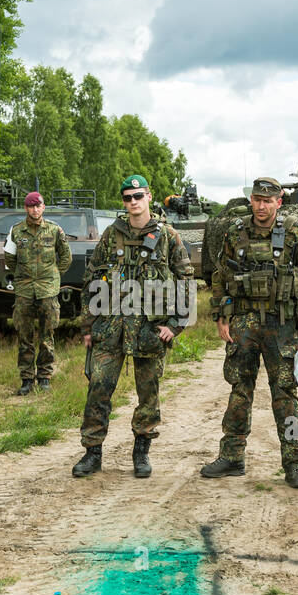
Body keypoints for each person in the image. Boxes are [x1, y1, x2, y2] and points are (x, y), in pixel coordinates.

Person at [201, 177, 298, 488]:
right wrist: (221, 315)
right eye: (257, 199)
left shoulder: (295, 231)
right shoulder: (235, 230)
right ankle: (232, 456)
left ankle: (295, 462)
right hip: (243, 322)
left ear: (279, 202)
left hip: (281, 325)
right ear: (251, 199)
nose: (261, 205)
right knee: (239, 391)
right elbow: (221, 275)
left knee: (286, 396)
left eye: (268, 200)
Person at [73, 174, 193, 479]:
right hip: (109, 327)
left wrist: (176, 325)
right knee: (98, 389)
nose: (133, 202)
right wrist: (87, 327)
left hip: (149, 329)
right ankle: (92, 452)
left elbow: (185, 281)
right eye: (127, 198)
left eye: (138, 196)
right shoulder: (111, 235)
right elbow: (90, 280)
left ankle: (141, 453)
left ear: (149, 197)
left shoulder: (168, 236)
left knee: (148, 393)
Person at [4, 191, 70, 394]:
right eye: (31, 206)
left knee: (46, 337)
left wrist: (54, 275)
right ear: (26, 208)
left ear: (43, 207)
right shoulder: (16, 231)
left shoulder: (54, 230)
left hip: (48, 291)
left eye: (38, 205)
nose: (34, 209)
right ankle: (26, 379)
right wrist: (21, 276)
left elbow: (65, 256)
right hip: (24, 291)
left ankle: (44, 377)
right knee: (24, 337)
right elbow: (9, 258)